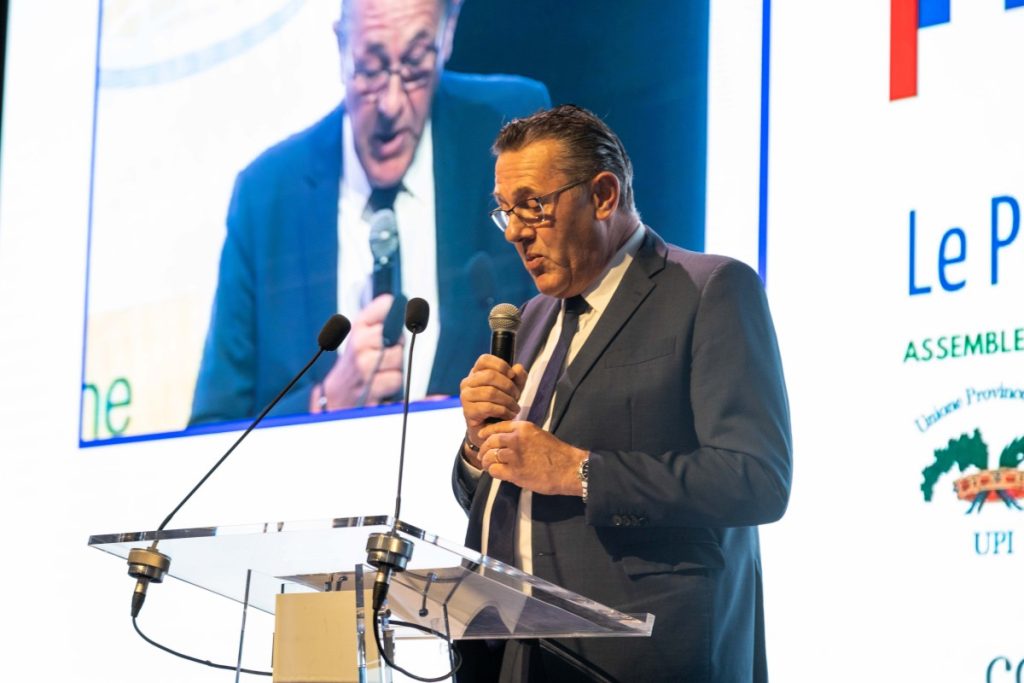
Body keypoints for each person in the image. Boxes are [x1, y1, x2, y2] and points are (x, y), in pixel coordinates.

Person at [452, 105, 792, 682]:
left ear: (603, 195)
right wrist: (476, 446)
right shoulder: (530, 320)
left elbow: (756, 479)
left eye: (532, 205)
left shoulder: (708, 290)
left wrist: (578, 472)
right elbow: (499, 495)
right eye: (506, 209)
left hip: (643, 658)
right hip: (514, 656)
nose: (514, 232)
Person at [189, 0, 548, 426]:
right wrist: (325, 401)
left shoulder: (508, 132)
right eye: (371, 69)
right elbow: (211, 427)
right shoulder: (267, 195)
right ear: (341, 46)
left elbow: (565, 350)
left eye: (415, 66)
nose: (391, 105)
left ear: (448, 34)